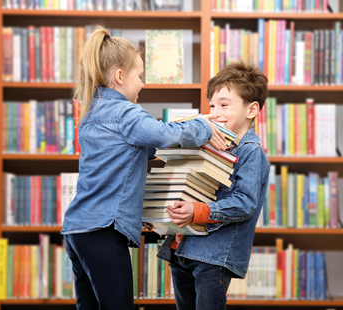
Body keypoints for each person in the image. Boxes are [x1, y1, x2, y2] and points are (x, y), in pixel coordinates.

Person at [61, 26, 226, 310]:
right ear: (120, 76)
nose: (143, 84)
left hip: (76, 231)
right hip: (103, 230)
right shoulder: (125, 112)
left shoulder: (90, 114)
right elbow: (164, 135)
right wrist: (203, 124)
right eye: (140, 76)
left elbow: (140, 148)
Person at [155, 62, 270, 310]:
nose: (215, 113)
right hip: (181, 249)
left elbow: (244, 203)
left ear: (251, 110)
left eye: (225, 105)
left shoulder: (251, 152)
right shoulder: (206, 144)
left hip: (212, 256)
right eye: (212, 105)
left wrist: (197, 211)